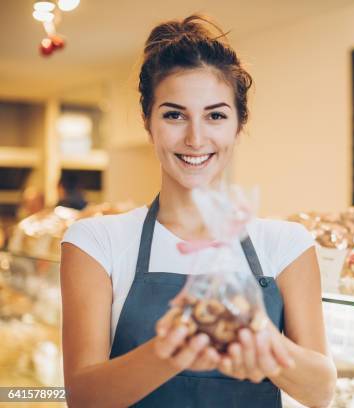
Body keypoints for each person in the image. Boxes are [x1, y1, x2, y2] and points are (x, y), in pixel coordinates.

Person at [60, 15, 336, 407]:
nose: (195, 138)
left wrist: (260, 339)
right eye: (174, 114)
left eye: (216, 115)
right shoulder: (95, 242)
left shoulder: (286, 243)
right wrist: (176, 348)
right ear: (148, 122)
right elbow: (82, 397)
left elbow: (321, 391)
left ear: (239, 124)